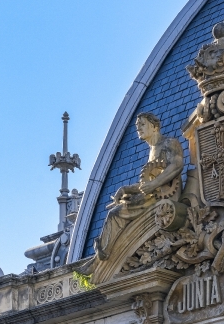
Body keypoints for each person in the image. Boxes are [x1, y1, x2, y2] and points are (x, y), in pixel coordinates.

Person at [78, 112, 183, 274]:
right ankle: (103, 255)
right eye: (137, 126)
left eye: (142, 124)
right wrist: (126, 189)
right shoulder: (153, 150)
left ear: (154, 127)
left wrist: (154, 183)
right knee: (122, 205)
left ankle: (101, 259)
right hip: (154, 195)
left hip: (165, 198)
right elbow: (146, 185)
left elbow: (176, 166)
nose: (138, 128)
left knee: (115, 214)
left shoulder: (169, 143)